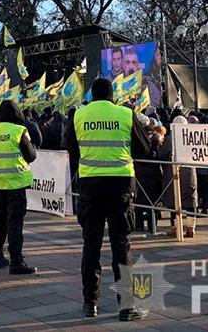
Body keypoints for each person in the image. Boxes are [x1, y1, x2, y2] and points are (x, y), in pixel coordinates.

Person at [66, 78, 151, 321]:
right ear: (112, 94)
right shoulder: (125, 114)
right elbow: (143, 148)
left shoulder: (79, 115)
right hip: (120, 184)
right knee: (120, 244)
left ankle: (90, 303)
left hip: (90, 185)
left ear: (92, 94)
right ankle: (126, 306)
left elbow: (70, 147)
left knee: (90, 245)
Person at [0, 100, 37, 275]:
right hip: (16, 183)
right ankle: (16, 261)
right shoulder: (19, 131)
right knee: (15, 223)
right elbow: (30, 156)